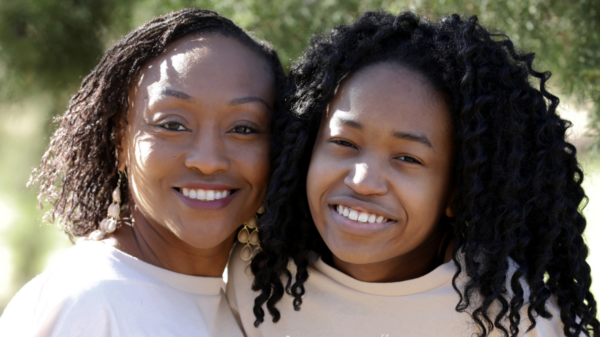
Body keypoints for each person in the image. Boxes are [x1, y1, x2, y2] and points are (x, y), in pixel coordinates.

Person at [227, 11, 599, 337]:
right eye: (344, 143)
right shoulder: (257, 276)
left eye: (407, 157)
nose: (362, 181)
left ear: (457, 194)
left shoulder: (517, 320)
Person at [0, 8, 285, 337]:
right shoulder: (88, 304)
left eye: (244, 128)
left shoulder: (249, 312)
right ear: (120, 144)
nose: (208, 160)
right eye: (173, 125)